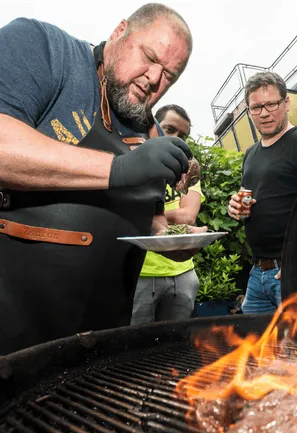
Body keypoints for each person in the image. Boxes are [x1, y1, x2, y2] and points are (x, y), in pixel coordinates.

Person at [0, 3, 197, 355]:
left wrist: (171, 240)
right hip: (14, 326)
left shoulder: (150, 129)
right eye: (149, 57)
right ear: (119, 31)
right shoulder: (44, 48)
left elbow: (151, 219)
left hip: (101, 337)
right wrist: (118, 169)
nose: (154, 78)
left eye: (169, 75)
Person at [228, 72, 297, 314]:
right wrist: (236, 207)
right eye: (256, 107)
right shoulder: (250, 154)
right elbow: (249, 197)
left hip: (294, 271)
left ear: (287, 103)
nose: (264, 113)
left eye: (271, 104)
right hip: (257, 274)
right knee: (254, 338)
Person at [131, 105, 205, 324]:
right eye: (170, 129)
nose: (176, 139)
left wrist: (151, 214)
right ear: (154, 127)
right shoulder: (133, 162)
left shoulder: (187, 172)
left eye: (183, 136)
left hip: (182, 273)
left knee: (177, 339)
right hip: (141, 273)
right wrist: (162, 214)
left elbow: (188, 216)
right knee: (134, 340)